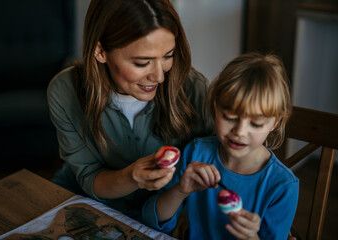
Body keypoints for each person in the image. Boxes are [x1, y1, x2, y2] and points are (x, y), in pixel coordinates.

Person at [47, 0, 213, 221]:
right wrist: (131, 177)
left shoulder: (194, 89)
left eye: (168, 56)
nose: (159, 77)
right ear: (100, 51)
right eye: (142, 63)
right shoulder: (64, 92)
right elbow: (88, 176)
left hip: (162, 213)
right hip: (84, 199)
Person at [142, 52, 299, 240]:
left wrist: (251, 237)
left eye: (256, 124)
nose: (240, 131)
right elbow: (154, 220)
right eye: (229, 118)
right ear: (215, 107)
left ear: (275, 123)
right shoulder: (196, 153)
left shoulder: (282, 186)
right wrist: (180, 191)